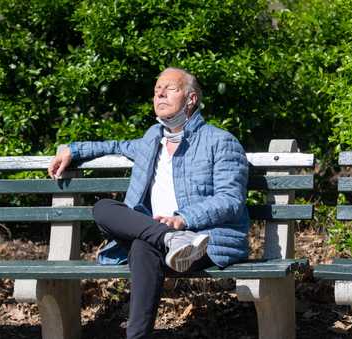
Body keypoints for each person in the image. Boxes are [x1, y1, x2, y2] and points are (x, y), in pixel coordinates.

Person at [48, 67, 250, 339]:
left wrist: (183, 220)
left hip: (201, 240)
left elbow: (231, 200)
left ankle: (172, 243)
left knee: (143, 246)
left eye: (170, 88)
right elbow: (115, 146)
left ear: (191, 100)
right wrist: (73, 149)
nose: (160, 94)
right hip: (160, 239)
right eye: (156, 90)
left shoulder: (220, 141)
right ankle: (168, 239)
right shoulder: (151, 139)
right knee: (103, 208)